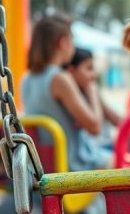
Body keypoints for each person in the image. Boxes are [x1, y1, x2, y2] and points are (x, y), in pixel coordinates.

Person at [21, 13, 116, 173]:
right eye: (73, 40)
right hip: (72, 166)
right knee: (115, 158)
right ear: (63, 42)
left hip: (44, 166)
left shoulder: (26, 79)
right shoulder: (59, 78)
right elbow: (95, 127)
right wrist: (91, 89)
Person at [63, 48, 122, 152]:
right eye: (89, 68)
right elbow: (96, 128)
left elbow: (116, 120)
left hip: (105, 146)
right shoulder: (74, 96)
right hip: (95, 151)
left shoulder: (88, 91)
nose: (94, 75)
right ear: (71, 71)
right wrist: (93, 94)